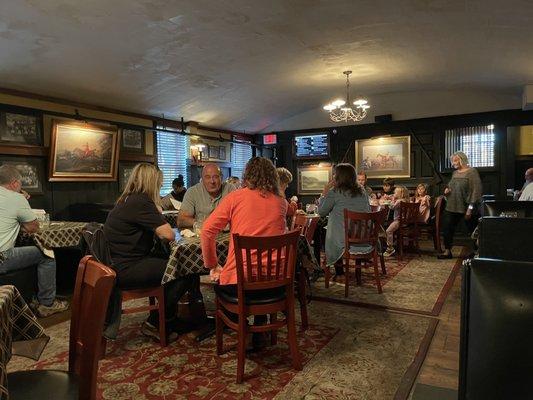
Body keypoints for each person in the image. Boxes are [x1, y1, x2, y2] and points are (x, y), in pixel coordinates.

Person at [104, 163, 198, 341]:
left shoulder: (127, 199)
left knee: (172, 262)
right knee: (186, 270)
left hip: (116, 263)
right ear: (151, 182)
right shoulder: (141, 201)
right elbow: (168, 235)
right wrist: (157, 212)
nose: (161, 186)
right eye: (159, 182)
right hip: (126, 268)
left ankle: (169, 318)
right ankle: (156, 323)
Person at [201, 157, 286, 348]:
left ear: (247, 175)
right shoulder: (282, 203)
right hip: (276, 284)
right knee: (260, 273)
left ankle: (241, 326)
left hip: (241, 284)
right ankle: (260, 323)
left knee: (221, 283)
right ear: (273, 176)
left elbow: (207, 231)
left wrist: (213, 265)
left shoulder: (235, 198)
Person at [0, 165, 69, 317]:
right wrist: (20, 198)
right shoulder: (16, 198)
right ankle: (47, 303)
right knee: (47, 255)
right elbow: (33, 227)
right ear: (15, 183)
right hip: (2, 257)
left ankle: (31, 296)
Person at [317, 164, 370, 273]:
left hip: (343, 240)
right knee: (339, 226)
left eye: (335, 174)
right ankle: (352, 268)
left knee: (333, 229)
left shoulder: (334, 192)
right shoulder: (362, 192)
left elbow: (321, 212)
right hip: (364, 236)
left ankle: (339, 268)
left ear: (339, 176)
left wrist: (324, 194)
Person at [437, 151, 482, 259]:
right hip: (452, 206)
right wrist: (447, 191)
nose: (453, 163)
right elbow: (450, 187)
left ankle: (477, 251)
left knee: (473, 229)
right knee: (447, 228)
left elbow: (476, 191)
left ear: (461, 159)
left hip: (467, 207)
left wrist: (470, 209)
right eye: (452, 161)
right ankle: (447, 251)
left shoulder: (472, 172)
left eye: (454, 160)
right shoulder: (455, 173)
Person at [178, 163, 236, 229]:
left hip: (226, 235)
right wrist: (201, 224)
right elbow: (181, 220)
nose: (212, 181)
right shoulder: (192, 192)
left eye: (216, 177)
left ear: (221, 178)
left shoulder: (230, 190)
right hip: (201, 235)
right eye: (207, 177)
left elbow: (239, 216)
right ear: (202, 179)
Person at [383, 186, 411, 257]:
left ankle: (390, 248)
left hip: (398, 221)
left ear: (400, 194)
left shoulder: (399, 201)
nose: (394, 193)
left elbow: (392, 207)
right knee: (388, 226)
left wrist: (391, 201)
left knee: (388, 231)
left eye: (395, 192)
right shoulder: (406, 200)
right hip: (405, 221)